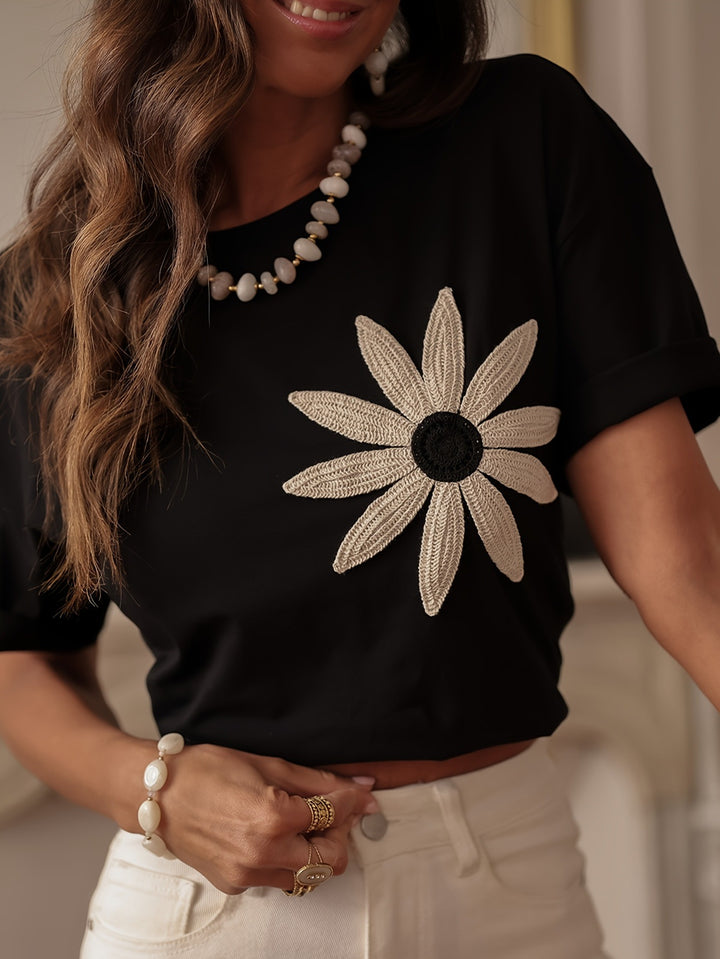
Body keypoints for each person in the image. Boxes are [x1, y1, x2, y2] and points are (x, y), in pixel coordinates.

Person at [1, 0, 719, 956]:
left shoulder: (526, 141)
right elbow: (24, 656)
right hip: (217, 919)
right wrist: (159, 795)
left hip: (514, 892)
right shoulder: (60, 290)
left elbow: (685, 560)